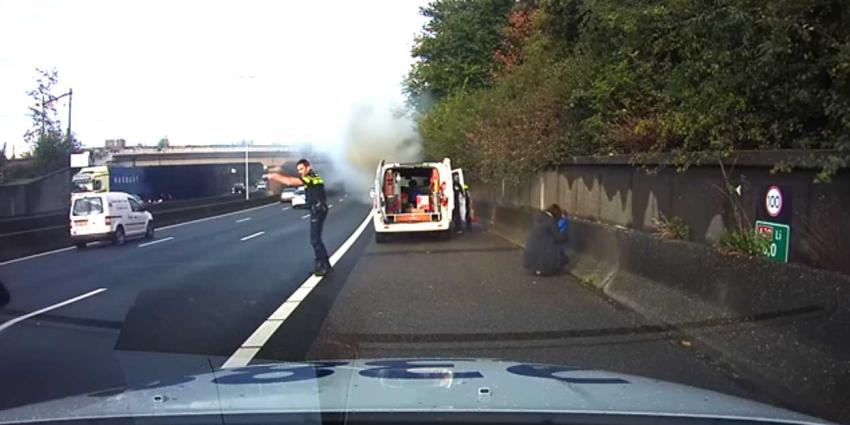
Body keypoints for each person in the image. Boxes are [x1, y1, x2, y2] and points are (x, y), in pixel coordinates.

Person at [265, 159, 331, 276]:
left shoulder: (311, 177)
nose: (300, 172)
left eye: (301, 169)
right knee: (316, 240)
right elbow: (314, 195)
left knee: (315, 240)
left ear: (308, 167)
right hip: (318, 208)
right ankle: (323, 264)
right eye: (298, 170)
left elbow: (291, 182)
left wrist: (275, 176)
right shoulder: (315, 177)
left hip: (318, 210)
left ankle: (323, 266)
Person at [524, 204, 569, 276]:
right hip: (544, 259)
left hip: (531, 258)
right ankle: (546, 269)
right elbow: (559, 238)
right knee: (565, 259)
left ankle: (537, 269)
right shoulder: (551, 221)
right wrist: (566, 234)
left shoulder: (539, 219)